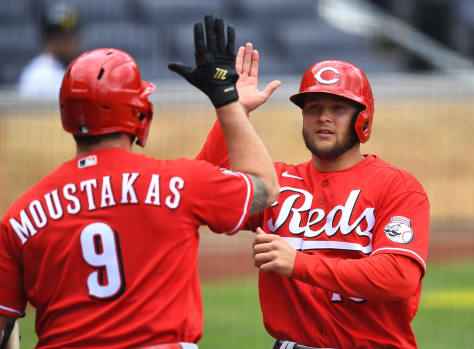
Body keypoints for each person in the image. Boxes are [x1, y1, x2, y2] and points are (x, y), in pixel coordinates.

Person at [0, 16, 279, 348]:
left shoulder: (18, 217)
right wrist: (228, 103)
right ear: (139, 112)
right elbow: (264, 187)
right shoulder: (178, 182)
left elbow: (4, 326)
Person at [197, 43, 430, 349]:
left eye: (338, 108)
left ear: (363, 119)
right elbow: (205, 196)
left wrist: (299, 264)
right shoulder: (275, 181)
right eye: (314, 107)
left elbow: (398, 277)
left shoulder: (396, 186)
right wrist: (233, 110)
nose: (323, 117)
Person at [17, 0, 82, 98]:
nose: (67, 45)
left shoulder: (82, 70)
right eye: (60, 39)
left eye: (70, 38)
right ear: (48, 42)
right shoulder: (37, 74)